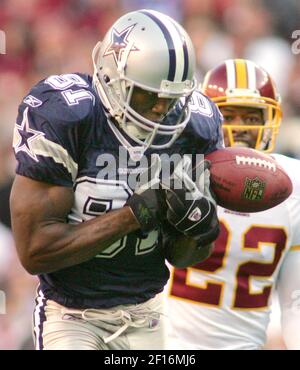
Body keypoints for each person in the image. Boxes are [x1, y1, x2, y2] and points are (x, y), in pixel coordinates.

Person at [10, 9, 223, 350]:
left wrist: (198, 228)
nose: (160, 107)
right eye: (150, 94)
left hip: (149, 311)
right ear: (113, 76)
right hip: (72, 315)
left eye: (171, 98)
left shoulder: (195, 126)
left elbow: (182, 258)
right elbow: (36, 251)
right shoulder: (68, 115)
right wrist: (132, 216)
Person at [167, 59, 300, 350]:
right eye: (229, 116)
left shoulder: (293, 185)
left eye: (252, 118)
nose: (241, 129)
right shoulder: (176, 172)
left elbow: (295, 301)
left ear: (271, 119)